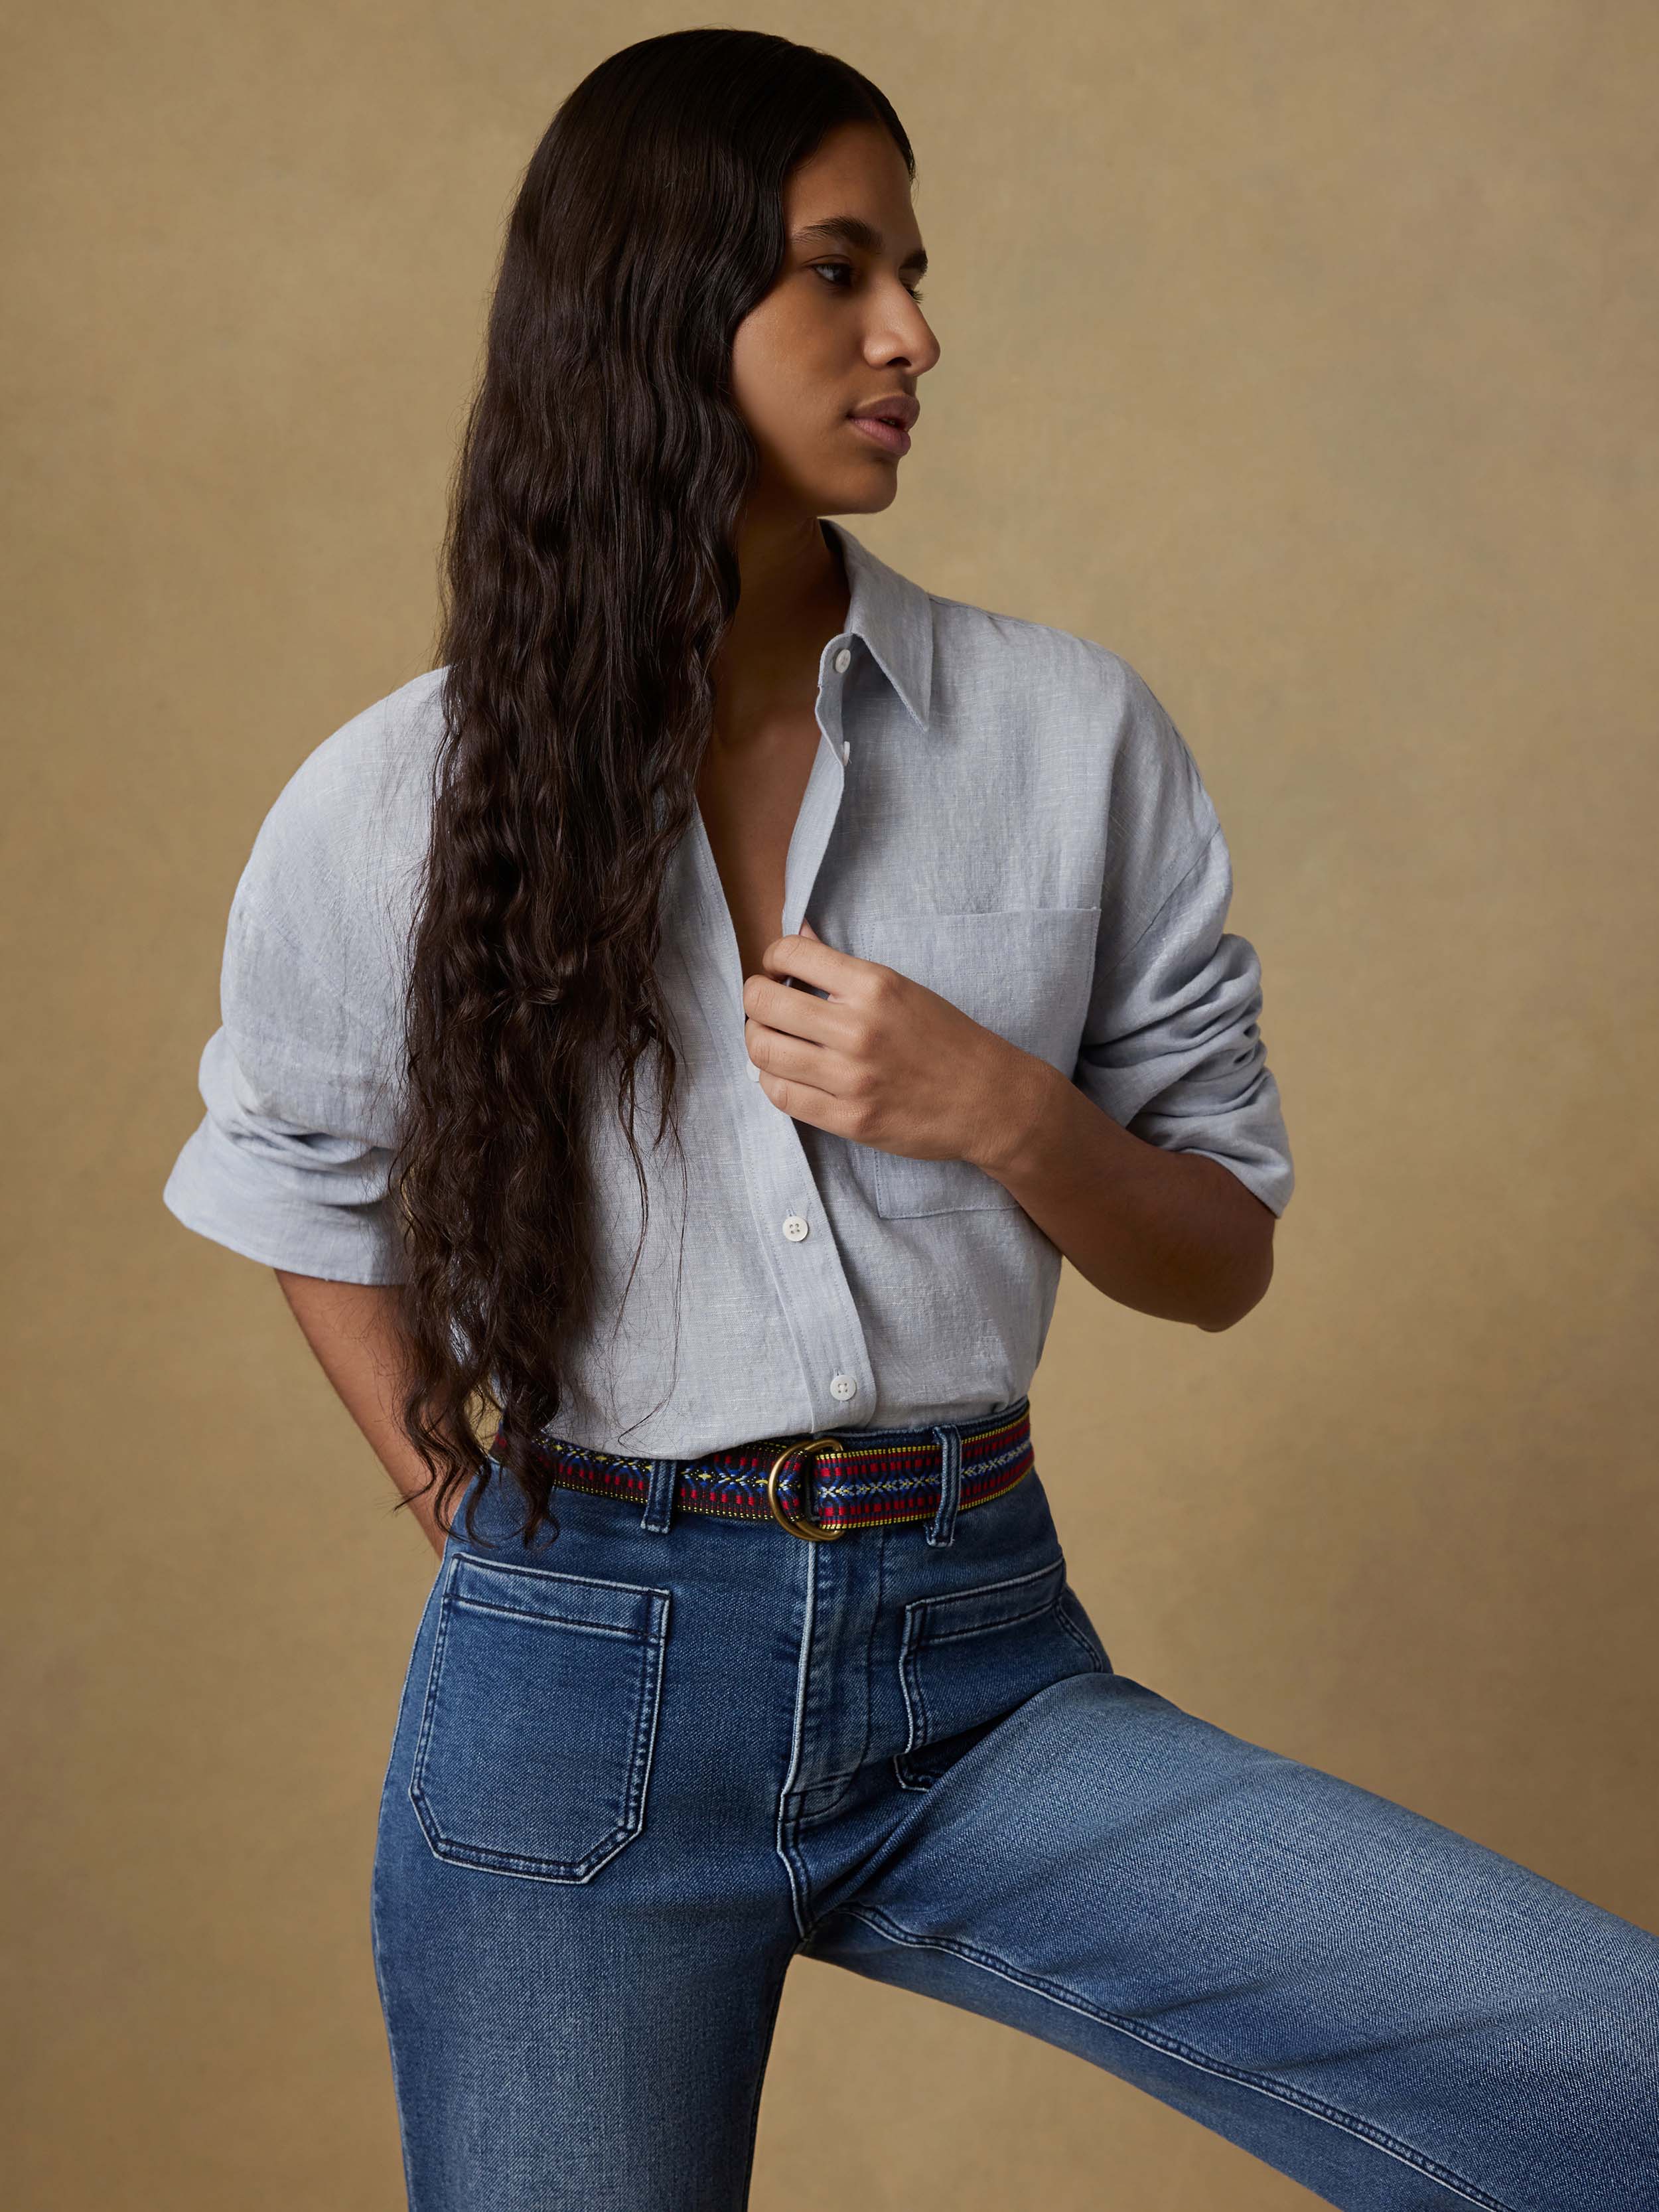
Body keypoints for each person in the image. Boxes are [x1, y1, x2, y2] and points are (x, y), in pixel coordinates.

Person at [161, 28, 1659, 2212]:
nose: (912, 338)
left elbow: (1215, 1261)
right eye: (838, 271)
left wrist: (1008, 1115)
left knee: (1614, 2077)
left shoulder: (1063, 734)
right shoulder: (394, 793)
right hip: (578, 1694)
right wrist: (464, 1517)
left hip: (980, 1666)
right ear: (663, 302)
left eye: (914, 275)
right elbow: (301, 1177)